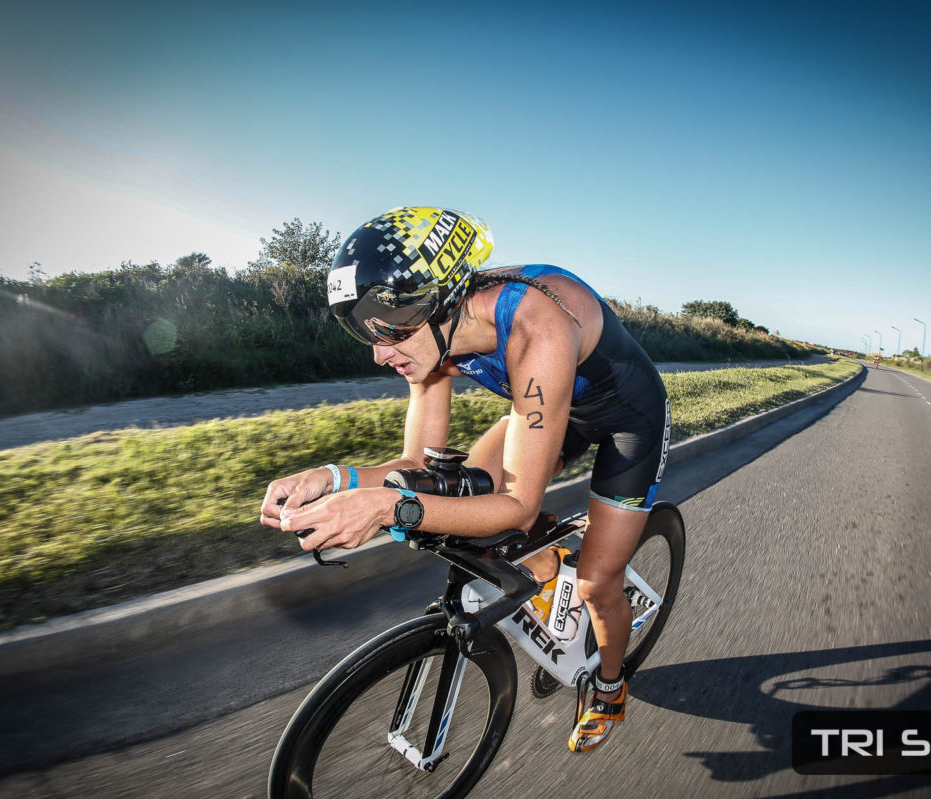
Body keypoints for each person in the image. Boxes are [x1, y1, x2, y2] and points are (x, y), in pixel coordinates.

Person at [259, 207, 670, 753]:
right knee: (466, 492)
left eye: (388, 333)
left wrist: (387, 509)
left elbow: (517, 505)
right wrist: (335, 478)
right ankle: (546, 562)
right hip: (545, 412)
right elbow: (415, 468)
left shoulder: (535, 326)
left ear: (442, 302)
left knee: (597, 583)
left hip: (627, 424)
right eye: (366, 335)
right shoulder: (430, 338)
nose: (380, 354)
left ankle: (610, 687)